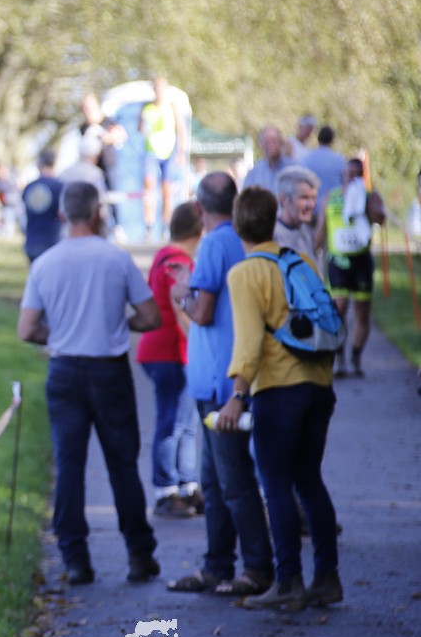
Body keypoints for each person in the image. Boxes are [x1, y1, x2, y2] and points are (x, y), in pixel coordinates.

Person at [17, 181, 162, 586]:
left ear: (62, 214)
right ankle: (139, 554)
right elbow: (151, 317)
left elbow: (27, 328)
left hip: (65, 370)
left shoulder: (45, 263)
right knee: (122, 464)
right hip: (109, 371)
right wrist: (117, 322)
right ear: (99, 212)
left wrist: (62, 332)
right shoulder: (116, 258)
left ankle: (75, 559)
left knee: (69, 465)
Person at [221, 186, 342, 611]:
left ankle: (288, 580)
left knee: (275, 484)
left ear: (237, 225)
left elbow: (249, 342)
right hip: (318, 385)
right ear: (274, 221)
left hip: (279, 390)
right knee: (309, 480)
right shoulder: (299, 261)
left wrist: (237, 396)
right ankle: (327, 577)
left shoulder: (244, 273)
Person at [167, 172, 274, 597]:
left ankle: (257, 567)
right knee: (213, 482)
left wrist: (181, 293)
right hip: (223, 378)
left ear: (199, 209)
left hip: (220, 384)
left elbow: (204, 310)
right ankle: (217, 565)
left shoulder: (213, 243)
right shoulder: (241, 241)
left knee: (232, 481)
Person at [135, 201, 204, 518]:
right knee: (172, 422)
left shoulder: (166, 255)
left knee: (187, 423)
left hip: (169, 351)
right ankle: (166, 490)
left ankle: (187, 485)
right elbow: (181, 309)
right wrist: (202, 345)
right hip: (169, 352)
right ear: (198, 230)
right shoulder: (177, 262)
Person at [316, 157, 378, 377]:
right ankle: (339, 356)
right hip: (338, 262)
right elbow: (320, 230)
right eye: (347, 173)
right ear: (342, 173)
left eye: (355, 174)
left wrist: (370, 202)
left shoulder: (368, 197)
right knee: (339, 307)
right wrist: (311, 253)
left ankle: (356, 356)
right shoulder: (330, 197)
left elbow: (380, 218)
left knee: (362, 312)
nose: (350, 178)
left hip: (361, 262)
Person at [139, 76, 187, 238]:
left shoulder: (172, 108)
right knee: (149, 189)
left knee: (167, 191)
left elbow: (181, 130)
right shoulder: (147, 109)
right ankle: (149, 226)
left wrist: (181, 152)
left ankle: (166, 227)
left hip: (168, 153)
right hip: (151, 152)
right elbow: (140, 128)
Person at [21, 149, 64, 263]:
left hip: (32, 241)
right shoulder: (60, 187)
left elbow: (23, 213)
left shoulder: (29, 187)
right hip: (52, 241)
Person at [79, 92, 127, 188]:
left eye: (90, 107)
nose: (88, 111)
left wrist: (108, 138)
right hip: (93, 169)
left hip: (110, 167)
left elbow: (122, 135)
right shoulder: (83, 128)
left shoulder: (108, 122)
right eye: (85, 108)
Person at [273, 165, 320, 259]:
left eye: (314, 197)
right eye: (304, 198)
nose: (311, 205)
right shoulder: (272, 237)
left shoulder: (306, 231)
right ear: (283, 199)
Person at [300, 125, 347, 217]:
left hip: (311, 209)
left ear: (318, 138)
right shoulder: (340, 161)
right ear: (332, 140)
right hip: (333, 211)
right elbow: (344, 185)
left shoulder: (306, 159)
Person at [242, 126, 292, 192]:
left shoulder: (293, 169)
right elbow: (247, 195)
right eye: (266, 142)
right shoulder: (255, 172)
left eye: (273, 141)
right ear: (261, 145)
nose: (270, 145)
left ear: (281, 143)